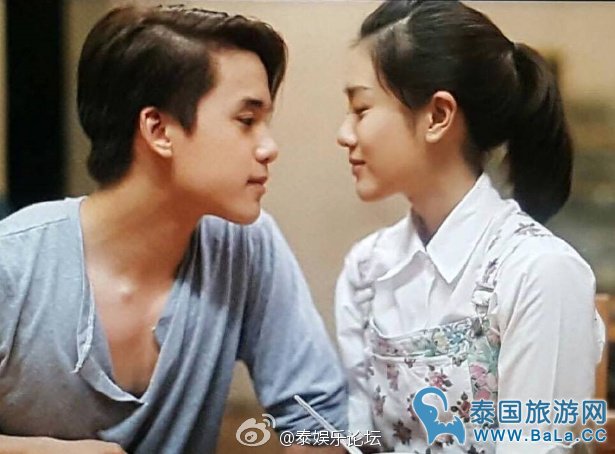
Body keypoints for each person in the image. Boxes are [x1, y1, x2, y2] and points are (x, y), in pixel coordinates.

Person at [0, 5, 346, 454]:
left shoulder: (246, 245)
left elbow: (317, 416)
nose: (269, 147)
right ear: (159, 129)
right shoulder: (15, 263)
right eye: (246, 121)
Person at [334, 1, 604, 452]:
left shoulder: (538, 272)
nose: (344, 134)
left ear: (438, 116)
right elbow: (357, 437)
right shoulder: (367, 269)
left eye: (361, 109)